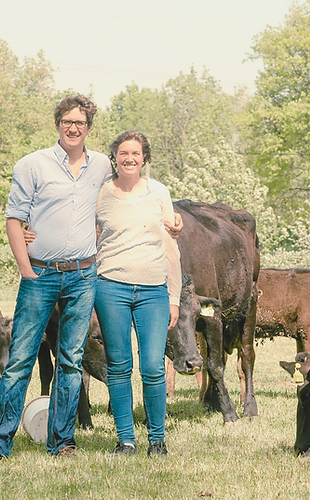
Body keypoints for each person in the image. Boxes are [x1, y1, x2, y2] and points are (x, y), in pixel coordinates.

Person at [0, 94, 115, 464]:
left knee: (70, 360)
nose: (73, 128)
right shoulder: (32, 164)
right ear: (57, 124)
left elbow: (123, 200)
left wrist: (170, 221)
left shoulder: (101, 165)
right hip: (40, 275)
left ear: (89, 128)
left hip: (83, 275)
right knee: (20, 359)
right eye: (67, 121)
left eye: (80, 123)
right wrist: (25, 268)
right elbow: (14, 218)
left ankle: (62, 441)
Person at [93, 130, 181, 458]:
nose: (129, 158)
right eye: (123, 153)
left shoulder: (159, 193)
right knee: (118, 365)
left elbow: (171, 246)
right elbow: (87, 235)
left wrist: (173, 296)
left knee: (154, 366)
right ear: (114, 157)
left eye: (136, 153)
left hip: (154, 291)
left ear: (145, 157)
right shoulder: (101, 193)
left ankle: (157, 438)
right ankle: (126, 439)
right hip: (111, 286)